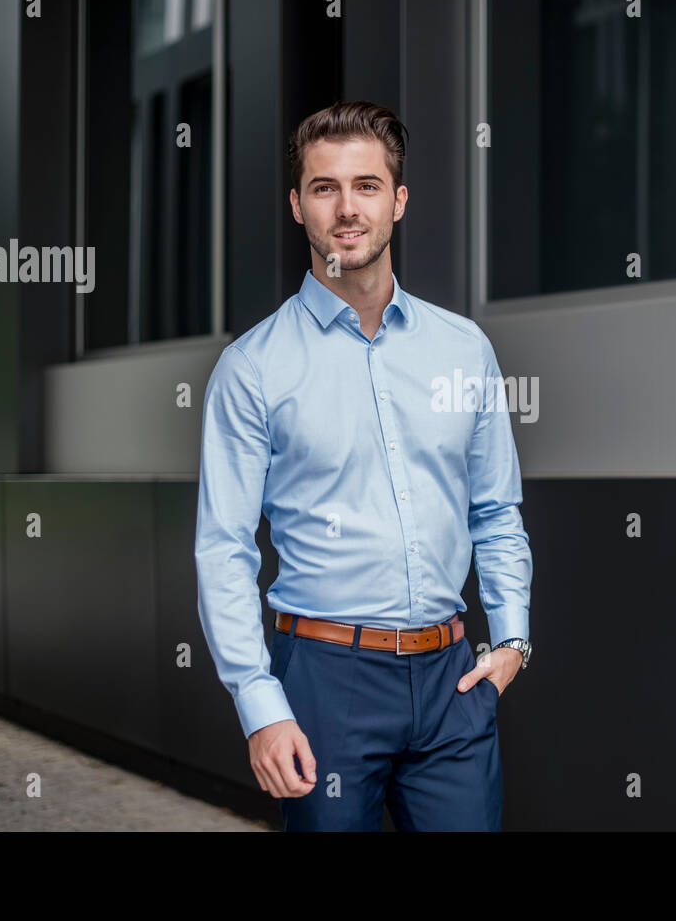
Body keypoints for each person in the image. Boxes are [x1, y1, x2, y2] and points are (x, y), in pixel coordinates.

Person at [194, 100, 533, 831]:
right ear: (297, 205)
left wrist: (511, 638)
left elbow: (496, 509)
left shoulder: (464, 350)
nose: (347, 207)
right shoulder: (253, 369)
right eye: (324, 187)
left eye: (368, 185)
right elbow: (223, 548)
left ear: (399, 200)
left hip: (452, 681)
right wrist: (260, 703)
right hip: (324, 683)